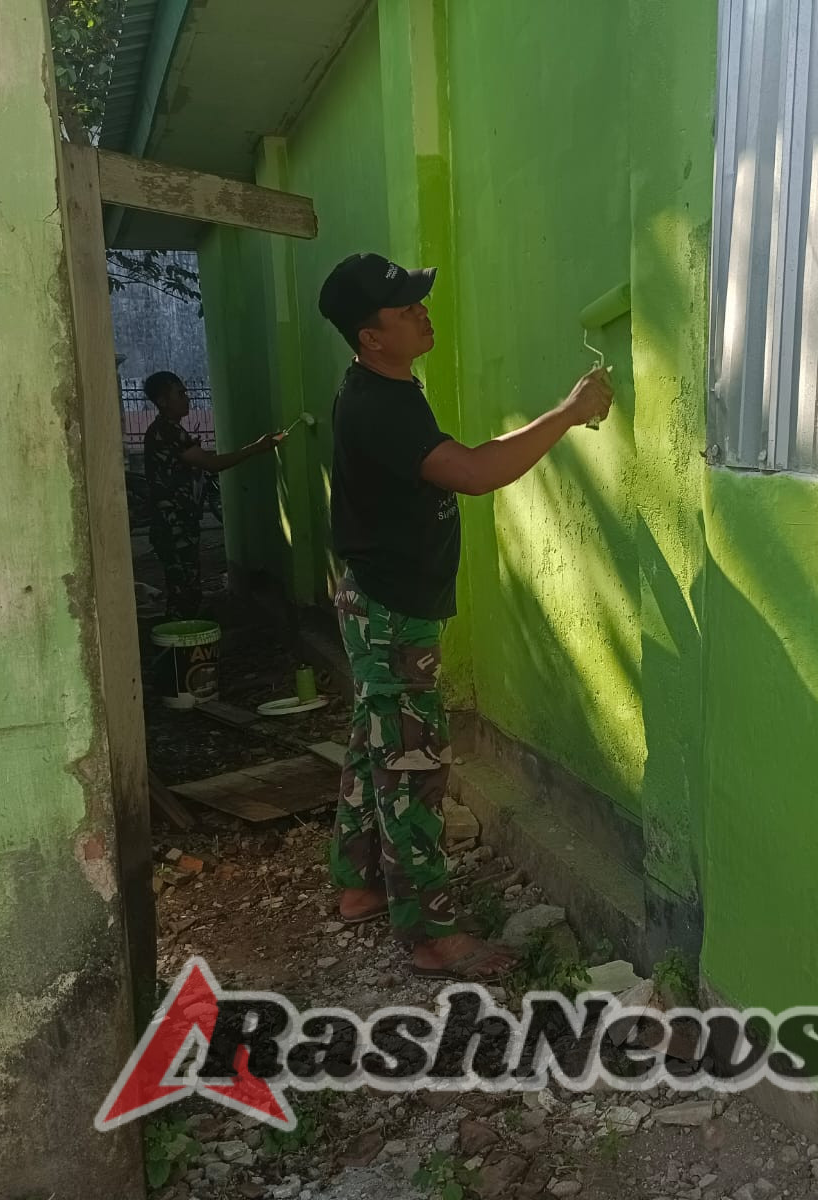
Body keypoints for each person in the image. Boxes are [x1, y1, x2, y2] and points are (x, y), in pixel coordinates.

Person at [316, 252, 613, 983]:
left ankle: (358, 887)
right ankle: (429, 936)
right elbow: (476, 473)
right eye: (403, 308)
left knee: (376, 744)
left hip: (379, 598)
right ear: (368, 335)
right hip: (390, 609)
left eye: (418, 299)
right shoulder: (376, 405)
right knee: (410, 759)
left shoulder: (386, 388)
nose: (421, 312)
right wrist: (569, 414)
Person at [141, 371, 283, 618]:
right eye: (180, 394)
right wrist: (256, 448)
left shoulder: (169, 431)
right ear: (163, 401)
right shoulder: (167, 432)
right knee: (183, 591)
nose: (187, 399)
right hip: (173, 523)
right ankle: (178, 645)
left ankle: (182, 643)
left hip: (177, 522)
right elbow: (212, 464)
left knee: (186, 587)